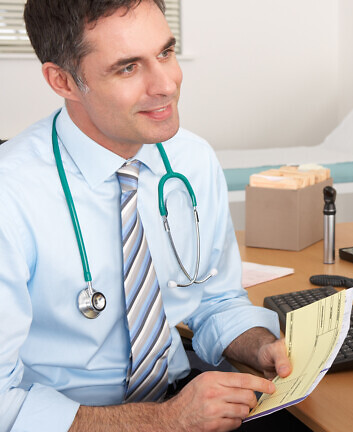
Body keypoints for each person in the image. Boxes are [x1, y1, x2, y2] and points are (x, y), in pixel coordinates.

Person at [0, 1, 293, 431]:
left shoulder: (191, 159)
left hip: (182, 399)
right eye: (127, 68)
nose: (166, 85)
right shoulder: (12, 193)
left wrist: (257, 343)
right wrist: (166, 421)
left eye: (166, 53)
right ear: (62, 80)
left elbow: (215, 298)